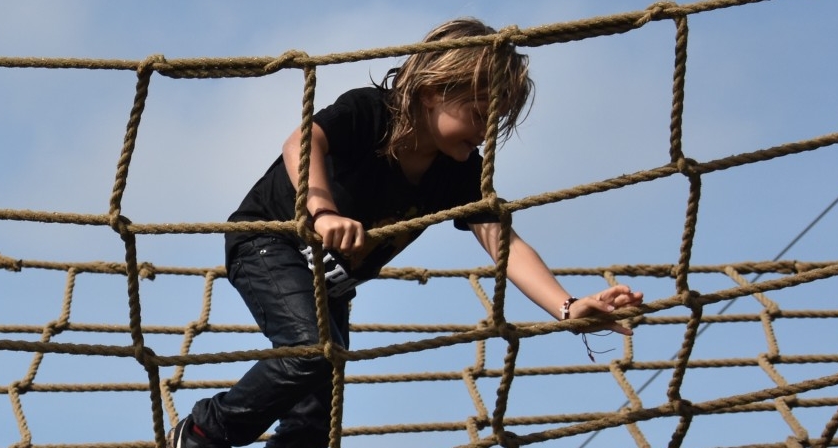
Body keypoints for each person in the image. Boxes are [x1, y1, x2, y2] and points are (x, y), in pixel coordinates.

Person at [172, 18, 646, 448]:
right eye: (479, 115)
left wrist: (567, 307)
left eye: (496, 123)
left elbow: (506, 245)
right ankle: (201, 433)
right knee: (312, 351)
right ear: (432, 92)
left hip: (331, 284)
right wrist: (322, 211)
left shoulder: (459, 171)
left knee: (315, 423)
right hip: (268, 242)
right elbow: (302, 140)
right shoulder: (370, 112)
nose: (485, 134)